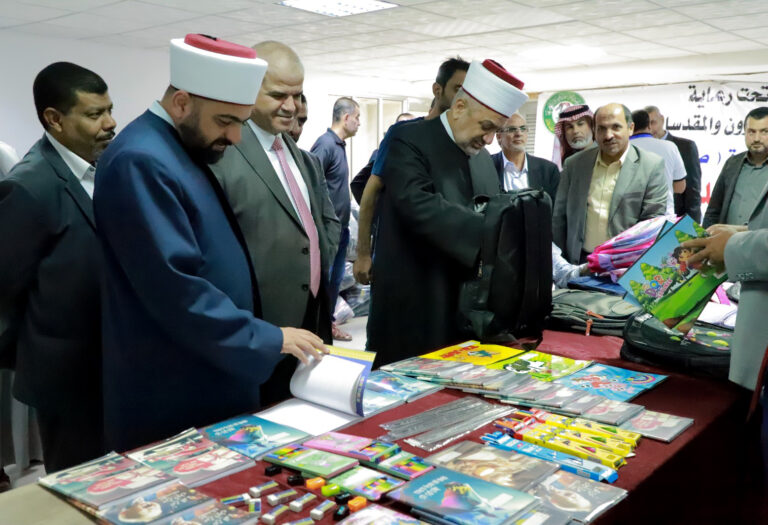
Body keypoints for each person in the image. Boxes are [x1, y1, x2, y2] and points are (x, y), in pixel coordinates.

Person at [94, 34, 326, 453]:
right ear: (182, 103)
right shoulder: (141, 160)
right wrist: (266, 338)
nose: (235, 137)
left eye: (241, 122)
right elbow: (176, 290)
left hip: (213, 365)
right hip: (175, 382)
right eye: (225, 121)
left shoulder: (181, 146)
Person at [368, 59, 528, 364]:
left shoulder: (482, 157)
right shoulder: (407, 139)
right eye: (486, 127)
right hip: (413, 300)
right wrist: (493, 233)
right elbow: (418, 204)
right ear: (459, 107)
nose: (489, 140)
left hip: (464, 306)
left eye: (496, 131)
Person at [210, 41, 340, 405]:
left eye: (297, 96)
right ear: (250, 90)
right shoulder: (223, 155)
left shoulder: (301, 157)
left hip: (312, 319)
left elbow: (324, 222)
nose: (291, 106)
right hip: (260, 328)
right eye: (278, 95)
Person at [0, 62, 115, 471]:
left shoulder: (108, 168)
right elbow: (5, 291)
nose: (110, 123)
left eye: (110, 110)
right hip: (66, 380)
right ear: (54, 119)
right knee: (80, 484)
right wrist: (39, 355)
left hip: (113, 366)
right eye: (94, 114)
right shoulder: (29, 187)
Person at [353, 57, 470, 286]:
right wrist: (364, 253)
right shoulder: (403, 135)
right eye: (458, 89)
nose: (463, 98)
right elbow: (370, 190)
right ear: (437, 90)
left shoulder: (463, 143)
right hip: (400, 255)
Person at [553, 103, 668, 264]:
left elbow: (651, 224)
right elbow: (559, 218)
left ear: (630, 128)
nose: (608, 135)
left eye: (616, 127)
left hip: (625, 265)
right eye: (601, 129)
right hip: (580, 263)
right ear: (595, 131)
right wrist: (562, 265)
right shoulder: (575, 164)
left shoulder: (651, 166)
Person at [311, 97, 360, 341]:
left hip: (340, 230)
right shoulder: (326, 144)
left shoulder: (339, 145)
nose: (359, 123)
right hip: (326, 231)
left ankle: (327, 326)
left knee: (334, 282)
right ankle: (316, 329)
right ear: (346, 117)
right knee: (324, 281)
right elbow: (311, 182)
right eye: (357, 118)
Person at [703, 107, 768, 228]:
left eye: (764, 132)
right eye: (751, 132)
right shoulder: (732, 164)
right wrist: (705, 236)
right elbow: (713, 211)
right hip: (727, 240)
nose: (756, 138)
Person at [646, 105, 703, 222]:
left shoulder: (685, 147)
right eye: (647, 125)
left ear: (662, 120)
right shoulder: (640, 147)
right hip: (647, 222)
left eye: (653, 123)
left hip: (676, 220)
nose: (650, 129)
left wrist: (691, 226)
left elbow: (692, 192)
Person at [491, 112, 559, 203]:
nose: (519, 133)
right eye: (512, 129)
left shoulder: (548, 170)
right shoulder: (487, 166)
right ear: (499, 136)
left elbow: (555, 208)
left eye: (523, 129)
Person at [630, 109, 686, 215]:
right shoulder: (670, 147)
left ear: (630, 127)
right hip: (664, 217)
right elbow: (680, 187)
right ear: (649, 126)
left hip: (631, 219)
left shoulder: (622, 149)